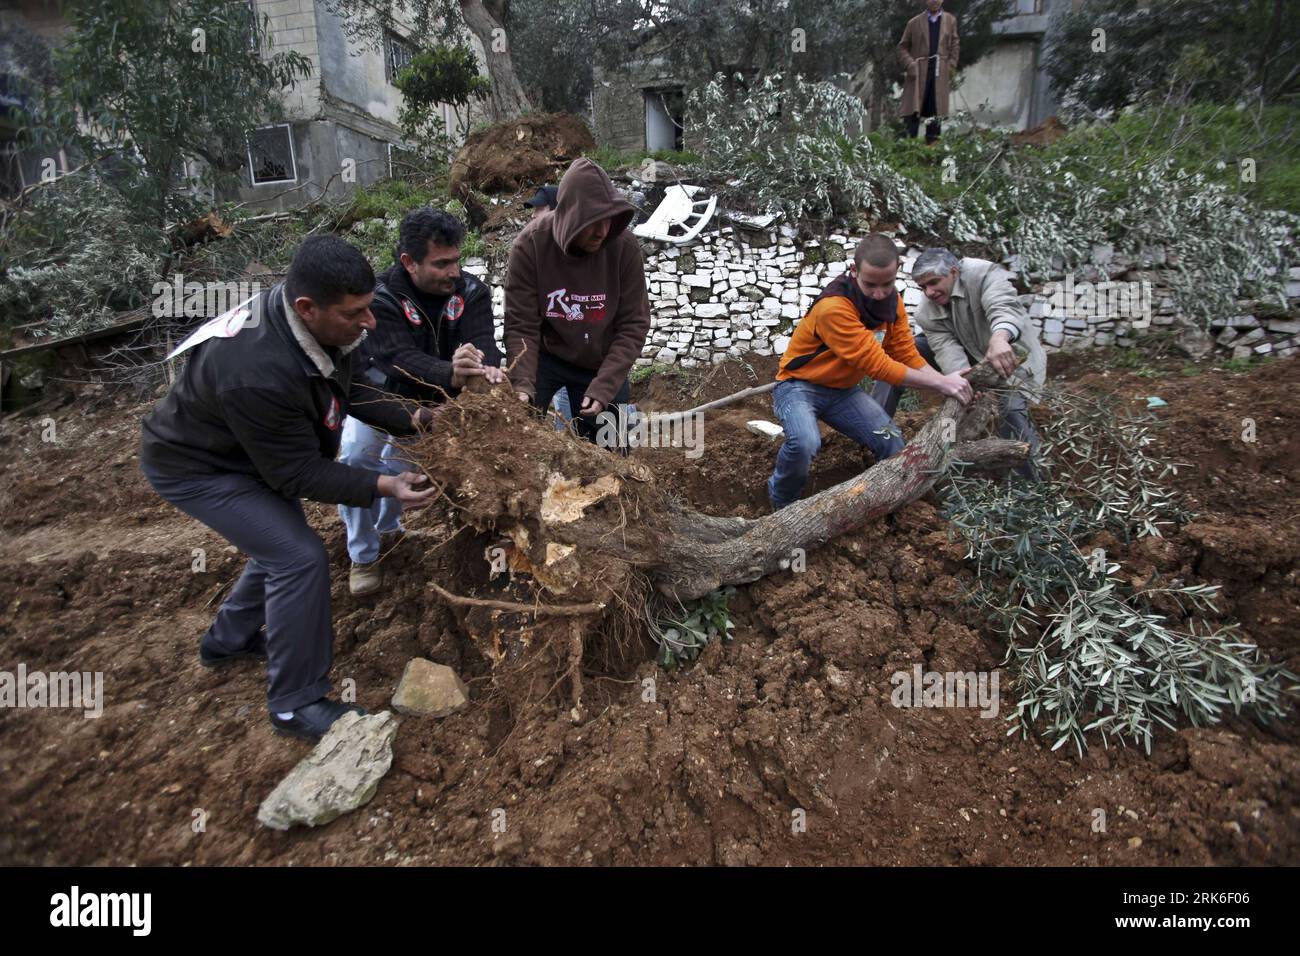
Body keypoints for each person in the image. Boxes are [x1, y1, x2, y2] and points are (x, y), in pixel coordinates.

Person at [140, 236, 436, 743]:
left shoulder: (318, 322)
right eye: (356, 313)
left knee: (277, 544)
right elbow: (296, 474)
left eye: (370, 308)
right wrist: (385, 483)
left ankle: (226, 642)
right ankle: (294, 703)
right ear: (307, 307)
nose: (369, 323)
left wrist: (416, 418)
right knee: (296, 556)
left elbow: (354, 388)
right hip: (199, 467)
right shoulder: (255, 372)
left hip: (247, 451)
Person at [341, 208, 504, 596]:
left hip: (436, 407)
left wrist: (488, 368)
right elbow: (396, 356)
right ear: (409, 263)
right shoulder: (383, 296)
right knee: (355, 459)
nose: (454, 271)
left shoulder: (472, 292)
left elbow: (483, 341)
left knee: (401, 472)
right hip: (377, 397)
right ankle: (362, 555)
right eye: (442, 263)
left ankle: (389, 533)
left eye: (457, 259)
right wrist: (453, 371)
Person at [767, 234, 973, 510]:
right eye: (870, 284)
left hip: (842, 392)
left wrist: (944, 380)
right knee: (805, 443)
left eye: (887, 284)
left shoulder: (893, 304)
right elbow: (878, 365)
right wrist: (941, 385)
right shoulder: (834, 307)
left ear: (897, 270)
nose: (879, 293)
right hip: (798, 387)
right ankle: (782, 504)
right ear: (854, 271)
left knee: (893, 442)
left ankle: (889, 504)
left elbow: (904, 353)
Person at [505, 158, 651, 449]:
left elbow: (633, 323)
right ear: (570, 216)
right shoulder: (530, 245)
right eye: (592, 223)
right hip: (547, 355)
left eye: (608, 220)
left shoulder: (623, 247)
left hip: (599, 359)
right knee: (520, 438)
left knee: (608, 450)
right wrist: (522, 384)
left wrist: (606, 384)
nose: (602, 231)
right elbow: (522, 324)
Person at [906, 247, 1045, 479]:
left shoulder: (982, 274)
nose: (928, 292)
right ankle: (883, 433)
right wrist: (965, 385)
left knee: (1011, 411)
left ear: (953, 272)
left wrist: (1000, 338)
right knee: (907, 350)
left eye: (933, 282)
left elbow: (1004, 307)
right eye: (923, 287)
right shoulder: (925, 312)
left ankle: (1034, 486)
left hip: (1014, 358)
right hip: (974, 357)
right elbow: (947, 351)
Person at [899, 0, 960, 144]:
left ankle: (931, 156)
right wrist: (910, 64)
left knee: (935, 114)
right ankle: (909, 152)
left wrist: (951, 65)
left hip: (939, 73)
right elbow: (902, 47)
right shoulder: (913, 23)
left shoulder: (950, 21)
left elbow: (955, 45)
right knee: (912, 114)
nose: (934, 1)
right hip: (918, 73)